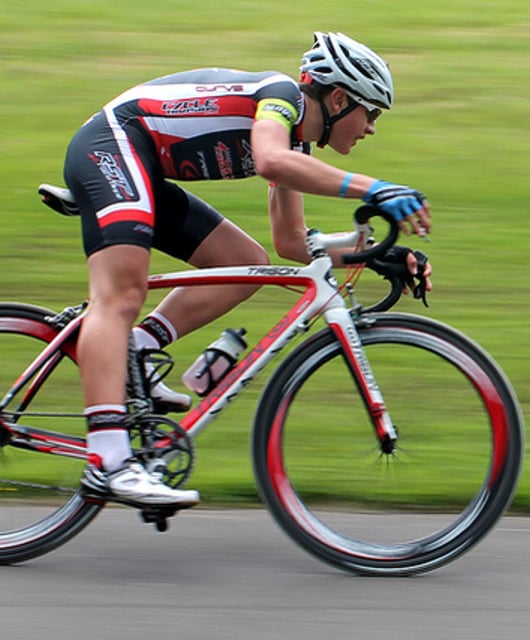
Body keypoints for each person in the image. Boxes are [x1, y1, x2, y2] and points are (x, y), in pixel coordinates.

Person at [64, 31, 432, 508]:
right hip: (112, 145)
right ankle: (109, 462)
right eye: (371, 113)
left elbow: (291, 244)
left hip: (140, 162)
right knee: (120, 295)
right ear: (340, 98)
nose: (371, 128)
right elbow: (269, 161)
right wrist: (373, 188)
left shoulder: (299, 147)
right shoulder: (279, 98)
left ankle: (136, 349)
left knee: (247, 264)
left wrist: (373, 253)